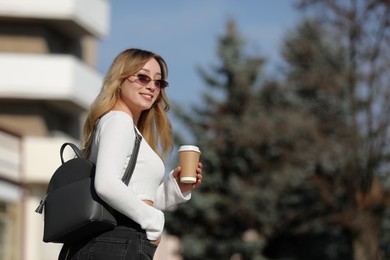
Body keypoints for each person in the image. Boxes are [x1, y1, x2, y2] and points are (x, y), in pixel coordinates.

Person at [58, 48, 203, 260]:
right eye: (143, 77)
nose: (152, 87)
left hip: (117, 241)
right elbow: (106, 185)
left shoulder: (126, 127)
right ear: (120, 79)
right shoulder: (118, 121)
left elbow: (134, 196)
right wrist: (153, 221)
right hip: (116, 242)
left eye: (158, 82)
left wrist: (175, 189)